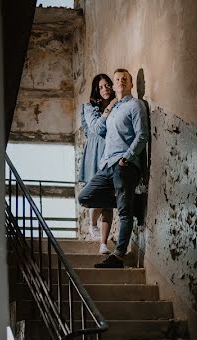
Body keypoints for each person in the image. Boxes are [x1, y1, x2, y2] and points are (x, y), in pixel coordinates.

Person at [78, 68, 149, 268]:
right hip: (106, 165)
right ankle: (133, 202)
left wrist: (126, 158)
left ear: (131, 84)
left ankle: (118, 256)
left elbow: (142, 135)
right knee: (85, 197)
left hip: (123, 165)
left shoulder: (136, 105)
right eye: (117, 79)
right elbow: (98, 130)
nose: (120, 82)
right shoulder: (113, 109)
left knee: (124, 213)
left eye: (124, 79)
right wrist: (109, 107)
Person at [78, 73, 116, 255]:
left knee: (109, 200)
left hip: (111, 152)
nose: (105, 89)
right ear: (96, 90)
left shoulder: (118, 105)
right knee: (96, 193)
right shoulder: (89, 108)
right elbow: (97, 128)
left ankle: (103, 244)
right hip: (95, 153)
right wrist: (110, 108)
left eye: (107, 85)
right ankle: (92, 224)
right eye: (101, 87)